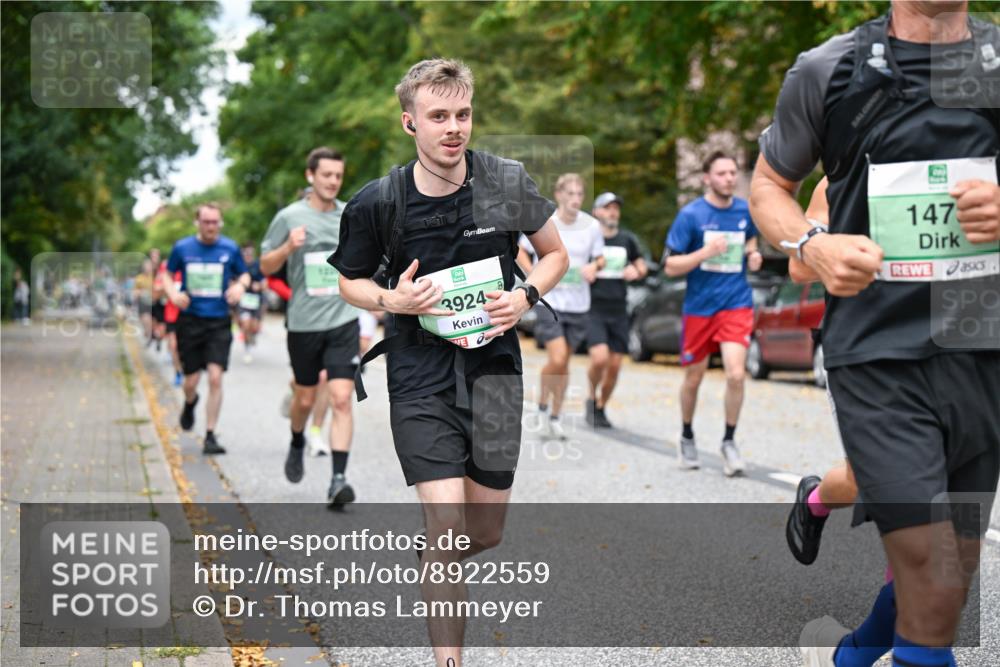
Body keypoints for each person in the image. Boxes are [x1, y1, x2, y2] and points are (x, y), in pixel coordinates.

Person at [750, 2, 1000, 665]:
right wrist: (813, 244)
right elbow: (769, 187)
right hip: (877, 349)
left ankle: (848, 655)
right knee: (928, 560)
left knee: (949, 571)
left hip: (981, 346)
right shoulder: (829, 70)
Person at [330, 58, 567, 667]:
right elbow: (349, 281)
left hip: (495, 373)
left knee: (484, 532)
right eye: (438, 116)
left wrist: (525, 296)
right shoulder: (379, 201)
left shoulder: (505, 181)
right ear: (409, 122)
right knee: (445, 525)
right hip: (418, 373)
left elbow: (555, 255)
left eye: (463, 114)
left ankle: (437, 560)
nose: (454, 127)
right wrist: (391, 300)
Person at [261, 147, 360, 506]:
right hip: (304, 324)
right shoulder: (289, 217)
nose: (333, 181)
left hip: (343, 319)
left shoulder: (350, 214)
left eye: (338, 176)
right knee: (304, 398)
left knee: (341, 398)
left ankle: (338, 479)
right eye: (326, 175)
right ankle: (297, 439)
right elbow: (266, 266)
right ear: (310, 176)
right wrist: (288, 247)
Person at [664, 151, 762, 476]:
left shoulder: (745, 210)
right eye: (722, 173)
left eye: (733, 172)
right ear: (707, 178)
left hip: (735, 303)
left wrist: (753, 255)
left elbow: (751, 239)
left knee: (736, 374)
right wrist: (705, 252)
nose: (729, 178)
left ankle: (729, 441)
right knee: (694, 377)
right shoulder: (691, 215)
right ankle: (686, 434)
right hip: (699, 308)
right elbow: (670, 265)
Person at [521, 173, 604, 439]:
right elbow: (520, 250)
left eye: (579, 194)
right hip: (549, 301)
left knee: (564, 363)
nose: (575, 199)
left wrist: (594, 267)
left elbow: (600, 258)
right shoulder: (547, 222)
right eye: (570, 194)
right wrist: (535, 275)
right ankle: (542, 405)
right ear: (558, 195)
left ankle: (555, 416)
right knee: (557, 358)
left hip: (579, 305)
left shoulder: (592, 226)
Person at [163, 203, 251, 455]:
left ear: (220, 223)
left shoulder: (229, 248)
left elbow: (244, 275)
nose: (211, 227)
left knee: (215, 377)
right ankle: (190, 402)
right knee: (190, 381)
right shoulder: (182, 248)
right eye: (206, 222)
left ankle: (210, 435)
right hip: (190, 321)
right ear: (197, 223)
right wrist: (173, 294)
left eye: (215, 222)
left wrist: (240, 287)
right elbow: (168, 275)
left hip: (219, 321)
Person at [585, 192, 647, 428]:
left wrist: (636, 271)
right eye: (607, 208)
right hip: (593, 307)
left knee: (615, 366)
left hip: (619, 308)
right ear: (596, 212)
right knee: (599, 358)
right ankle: (591, 396)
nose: (613, 212)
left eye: (616, 208)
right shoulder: (588, 240)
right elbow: (569, 265)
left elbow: (641, 265)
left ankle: (600, 407)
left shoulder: (626, 239)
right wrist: (586, 270)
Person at [236, 242, 266, 363]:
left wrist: (259, 286)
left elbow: (265, 283)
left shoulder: (258, 265)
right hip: (242, 299)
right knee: (245, 324)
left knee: (253, 326)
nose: (248, 255)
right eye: (245, 253)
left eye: (250, 253)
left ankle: (253, 335)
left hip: (256, 300)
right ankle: (247, 349)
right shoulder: (238, 266)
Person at [133, 260, 155, 339]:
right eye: (146, 266)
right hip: (142, 301)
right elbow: (135, 291)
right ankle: (147, 330)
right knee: (143, 317)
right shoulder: (139, 278)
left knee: (148, 317)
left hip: (152, 300)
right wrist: (139, 293)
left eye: (149, 266)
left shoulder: (154, 277)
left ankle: (149, 332)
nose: (148, 268)